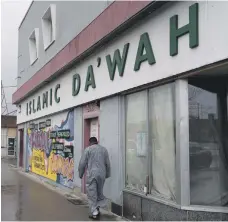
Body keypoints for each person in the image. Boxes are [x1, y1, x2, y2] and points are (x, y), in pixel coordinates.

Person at [78, 137, 111, 219]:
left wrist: (80, 174)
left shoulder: (88, 150)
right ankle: (97, 208)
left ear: (90, 143)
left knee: (92, 193)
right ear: (97, 142)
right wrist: (107, 174)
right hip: (102, 174)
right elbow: (108, 163)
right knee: (99, 192)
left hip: (92, 174)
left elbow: (82, 163)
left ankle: (94, 213)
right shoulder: (104, 150)